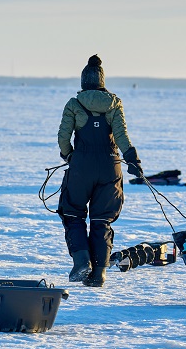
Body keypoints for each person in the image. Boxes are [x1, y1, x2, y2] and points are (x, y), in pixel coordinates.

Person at [57, 55, 142, 287]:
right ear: (102, 81)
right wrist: (132, 159)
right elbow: (122, 136)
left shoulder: (74, 104)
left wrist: (69, 155)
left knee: (72, 213)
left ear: (84, 81)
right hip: (110, 167)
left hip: (81, 167)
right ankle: (99, 273)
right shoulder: (114, 103)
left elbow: (63, 137)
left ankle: (81, 260)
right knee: (102, 220)